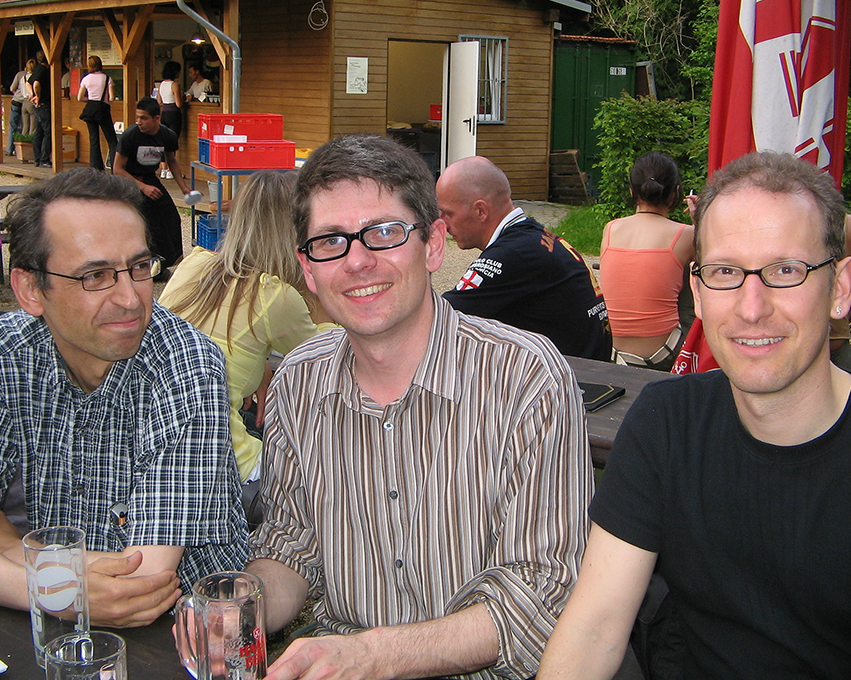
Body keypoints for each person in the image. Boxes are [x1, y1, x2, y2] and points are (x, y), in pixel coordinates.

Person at [246, 134, 593, 680]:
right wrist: (244, 605)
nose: (358, 261)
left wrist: (375, 656)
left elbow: (543, 597)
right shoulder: (297, 382)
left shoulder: (527, 379)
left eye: (384, 232)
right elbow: (293, 545)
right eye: (331, 241)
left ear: (433, 245)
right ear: (308, 269)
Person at [538, 151, 851, 680]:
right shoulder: (665, 423)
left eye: (785, 270)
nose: (752, 307)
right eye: (727, 271)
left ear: (839, 288)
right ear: (699, 292)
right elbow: (594, 628)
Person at [0, 167, 248, 627]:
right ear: (31, 289)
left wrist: (22, 558)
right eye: (95, 276)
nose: (132, 298)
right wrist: (57, 588)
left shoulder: (186, 365)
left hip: (178, 635)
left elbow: (142, 587)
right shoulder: (9, 356)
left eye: (139, 268)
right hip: (54, 632)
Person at [159, 170, 335, 485]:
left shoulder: (193, 264)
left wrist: (262, 364)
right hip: (223, 463)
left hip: (160, 449)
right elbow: (328, 356)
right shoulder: (274, 296)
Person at [438, 155, 612, 361]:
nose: (442, 224)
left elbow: (438, 319)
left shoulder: (512, 255)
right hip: (590, 368)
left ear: (480, 211)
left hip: (574, 383)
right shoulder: (531, 238)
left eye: (447, 214)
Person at [599, 152, 694, 371]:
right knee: (693, 274)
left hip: (614, 352)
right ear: (675, 193)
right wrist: (700, 221)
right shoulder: (686, 234)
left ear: (632, 192)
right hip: (665, 353)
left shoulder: (611, 229)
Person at [113, 97, 190, 271]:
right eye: (137, 117)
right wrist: (142, 187)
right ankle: (138, 264)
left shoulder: (167, 135)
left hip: (149, 178)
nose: (138, 122)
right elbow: (117, 169)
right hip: (128, 181)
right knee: (143, 221)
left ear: (156, 118)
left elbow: (172, 161)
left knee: (170, 217)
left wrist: (184, 187)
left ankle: (171, 262)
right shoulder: (130, 135)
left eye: (144, 118)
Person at [77, 55, 118, 171]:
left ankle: (95, 167)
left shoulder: (85, 79)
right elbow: (112, 97)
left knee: (93, 139)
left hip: (90, 110)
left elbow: (79, 97)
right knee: (112, 140)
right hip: (103, 109)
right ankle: (116, 167)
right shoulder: (107, 79)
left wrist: (90, 99)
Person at [156, 61, 183, 180]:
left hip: (165, 113)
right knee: (172, 141)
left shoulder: (161, 84)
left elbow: (159, 101)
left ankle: (163, 169)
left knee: (163, 140)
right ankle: (171, 170)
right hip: (174, 114)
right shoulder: (175, 85)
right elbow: (178, 103)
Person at [30, 50, 51, 168]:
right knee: (48, 132)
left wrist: (31, 95)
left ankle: (37, 159)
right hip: (43, 105)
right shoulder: (43, 70)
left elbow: (29, 83)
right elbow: (36, 83)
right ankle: (44, 159)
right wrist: (37, 96)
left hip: (37, 106)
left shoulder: (36, 69)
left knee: (39, 132)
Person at [5, 66, 29, 156]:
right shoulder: (33, 75)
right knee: (26, 126)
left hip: (16, 101)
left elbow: (12, 88)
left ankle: (10, 149)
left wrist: (17, 94)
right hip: (27, 102)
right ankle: (22, 151)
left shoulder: (20, 74)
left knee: (13, 126)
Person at [20, 59, 37, 138]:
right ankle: (31, 144)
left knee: (25, 126)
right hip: (31, 101)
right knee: (33, 126)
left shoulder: (22, 78)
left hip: (24, 102)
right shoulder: (34, 77)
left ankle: (23, 141)